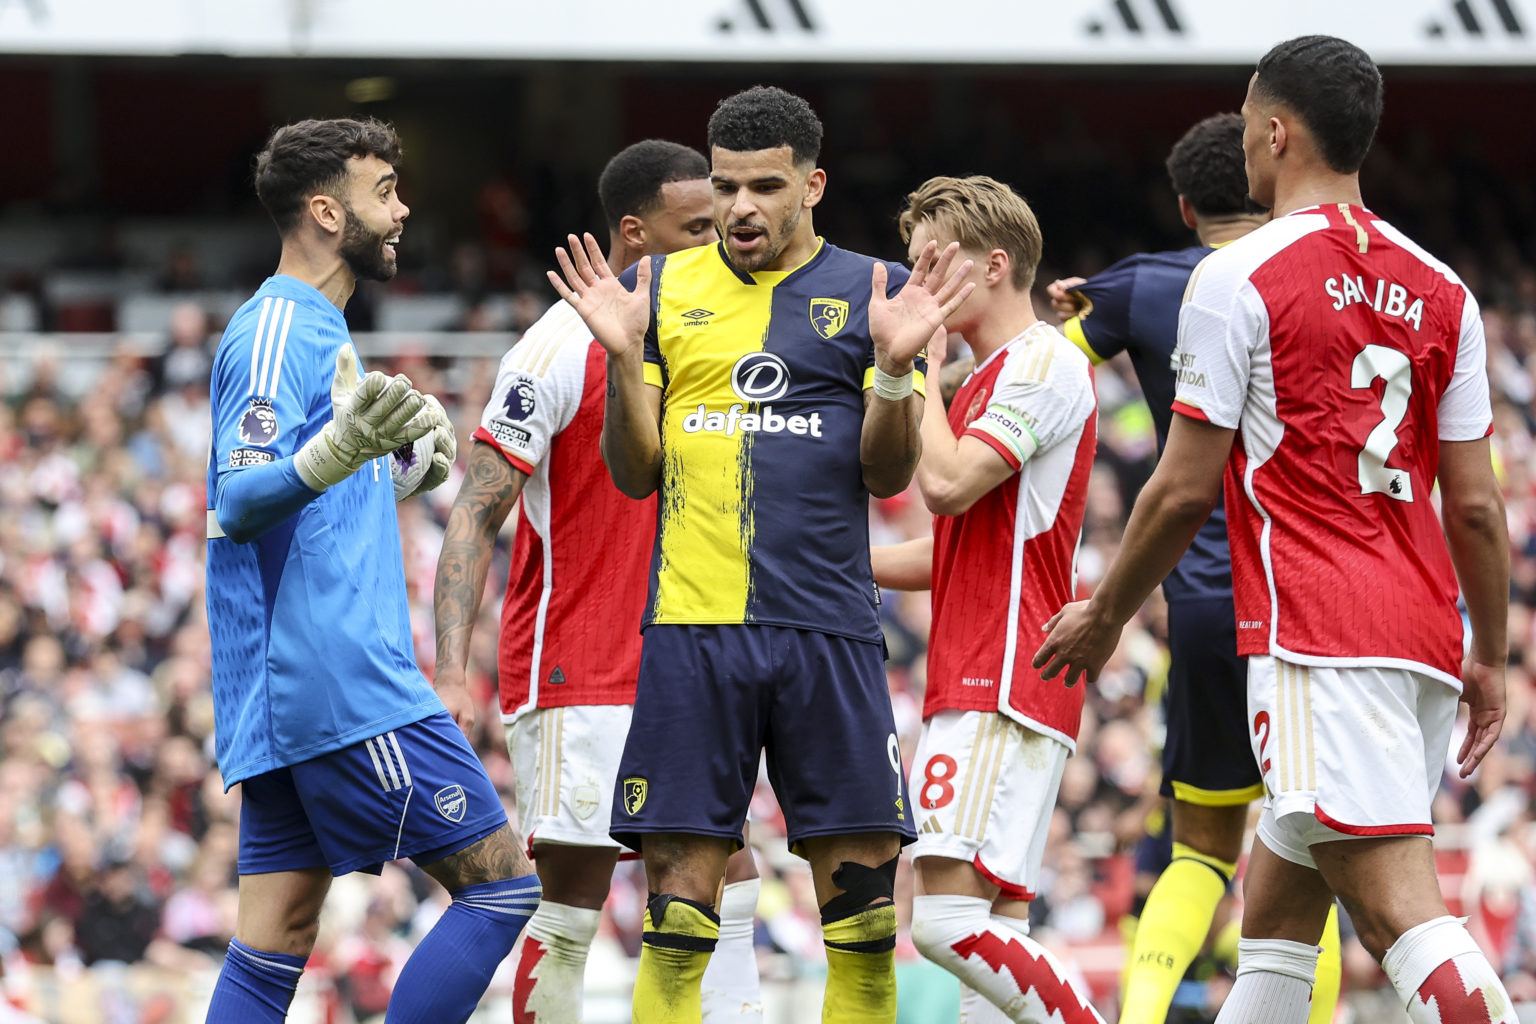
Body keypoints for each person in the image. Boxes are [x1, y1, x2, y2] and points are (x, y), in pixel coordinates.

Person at [1035, 36, 1514, 1024]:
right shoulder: (1445, 290)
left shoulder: (1240, 276)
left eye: (1249, 118)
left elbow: (1177, 491)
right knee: (1279, 916)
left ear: (1275, 131)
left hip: (1315, 632)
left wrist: (1105, 614)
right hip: (1422, 633)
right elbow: (1472, 503)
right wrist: (1493, 656)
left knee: (1398, 915)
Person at [545, 85, 974, 1024]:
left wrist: (896, 370)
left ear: (812, 185)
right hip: (695, 632)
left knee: (861, 930)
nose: (741, 207)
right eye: (728, 186)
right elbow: (633, 474)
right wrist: (622, 359)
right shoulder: (661, 289)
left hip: (829, 631)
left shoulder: (872, 293)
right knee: (678, 919)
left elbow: (887, 471)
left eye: (765, 187)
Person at [203, 117, 541, 1024]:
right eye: (383, 192)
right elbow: (237, 500)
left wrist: (391, 467)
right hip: (341, 682)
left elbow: (305, 504)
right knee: (501, 889)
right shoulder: (279, 325)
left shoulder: (320, 330)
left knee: (271, 945)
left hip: (287, 693)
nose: (402, 210)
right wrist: (341, 448)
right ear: (325, 210)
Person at [432, 138, 763, 1024]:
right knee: (572, 894)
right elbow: (473, 513)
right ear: (633, 232)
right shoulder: (553, 347)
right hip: (580, 666)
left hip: (689, 660)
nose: (722, 235)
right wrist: (450, 673)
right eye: (697, 225)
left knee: (729, 872)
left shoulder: (714, 332)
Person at [1044, 113, 1340, 1024]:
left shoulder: (1144, 286)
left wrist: (1072, 308)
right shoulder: (1322, 277)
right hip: (1310, 602)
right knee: (1315, 853)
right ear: (1263, 180)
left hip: (1204, 607)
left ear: (1183, 206)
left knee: (1200, 853)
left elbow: (1040, 367)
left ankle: (1137, 1019)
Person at [870, 175, 1106, 1024]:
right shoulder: (986, 377)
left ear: (995, 265)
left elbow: (947, 484)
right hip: (987, 669)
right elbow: (958, 550)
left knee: (944, 924)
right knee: (996, 926)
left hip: (1002, 675)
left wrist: (912, 369)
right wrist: (838, 566)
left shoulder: (1042, 361)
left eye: (932, 266)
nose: (914, 288)